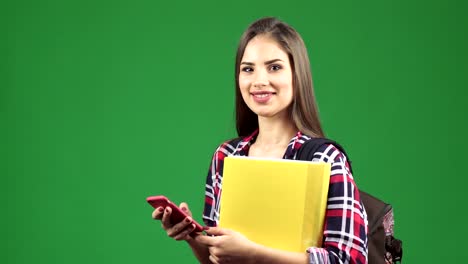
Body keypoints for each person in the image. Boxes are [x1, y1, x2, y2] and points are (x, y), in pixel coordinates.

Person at [152, 17, 368, 264]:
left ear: (298, 76)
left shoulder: (326, 159)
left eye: (274, 67)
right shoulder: (225, 156)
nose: (259, 81)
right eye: (248, 69)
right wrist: (193, 237)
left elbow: (348, 260)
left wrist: (254, 254)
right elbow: (217, 259)